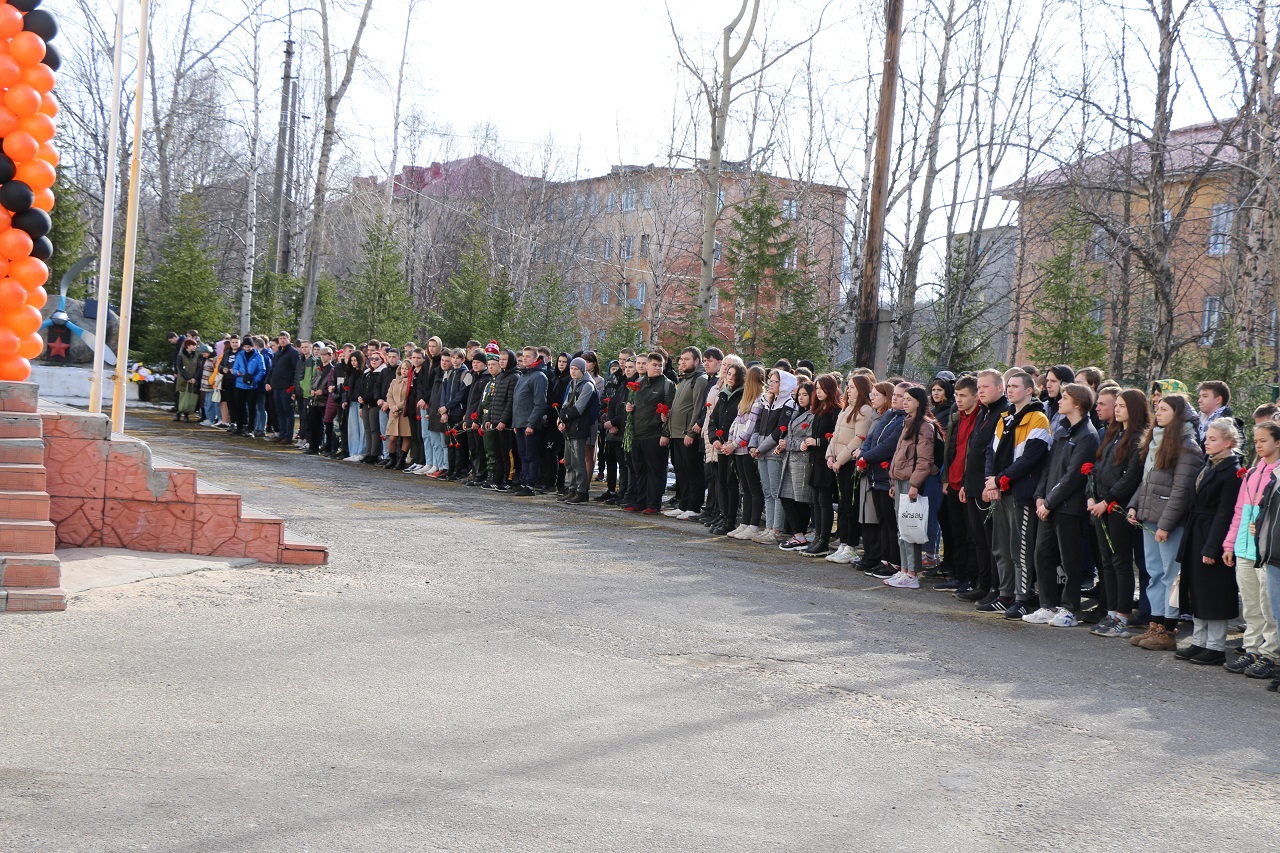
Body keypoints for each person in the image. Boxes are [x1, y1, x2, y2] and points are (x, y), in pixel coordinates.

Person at [1127, 393, 1203, 652]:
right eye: (1157, 408)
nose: (1157, 413)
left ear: (1178, 414)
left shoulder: (1188, 447)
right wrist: (1134, 505)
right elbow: (1147, 481)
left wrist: (1166, 525)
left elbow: (1181, 492)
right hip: (1150, 518)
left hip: (1169, 523)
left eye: (1164, 409)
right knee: (1154, 573)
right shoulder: (1156, 441)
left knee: (1171, 576)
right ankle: (1155, 624)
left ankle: (1168, 629)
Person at [1023, 382, 1101, 626]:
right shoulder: (1062, 429)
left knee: (1070, 560)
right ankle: (1047, 605)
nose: (1059, 401)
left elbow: (1074, 476)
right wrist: (1040, 496)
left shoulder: (1087, 435)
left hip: (1068, 508)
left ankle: (1070, 609)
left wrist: (1049, 502)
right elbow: (1049, 466)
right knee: (1042, 555)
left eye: (1065, 397)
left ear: (1077, 404)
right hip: (1048, 505)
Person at [1173, 418, 1243, 664]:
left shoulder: (1232, 471)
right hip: (1198, 531)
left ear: (1228, 443)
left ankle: (1215, 647)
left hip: (1213, 534)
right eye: (1207, 438)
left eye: (1213, 439)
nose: (1206, 442)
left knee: (1214, 591)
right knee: (1198, 588)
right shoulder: (1210, 463)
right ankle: (1199, 641)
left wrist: (1213, 546)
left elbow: (1225, 513)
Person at [983, 371, 1051, 616]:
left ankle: (1021, 598)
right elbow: (991, 452)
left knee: (1019, 549)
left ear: (1029, 390)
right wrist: (990, 481)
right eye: (1008, 386)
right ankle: (1005, 594)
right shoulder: (1005, 418)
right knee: (1001, 547)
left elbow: (1030, 459)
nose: (1010, 390)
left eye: (1015, 386)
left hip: (1020, 493)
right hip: (1000, 491)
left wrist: (999, 480)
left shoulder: (1038, 419)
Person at [1088, 388, 1150, 638]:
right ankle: (1111, 612)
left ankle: (1122, 616)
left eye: (1122, 406)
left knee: (1121, 561)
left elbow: (1131, 477)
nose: (1117, 410)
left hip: (1118, 508)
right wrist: (1091, 495)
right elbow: (1097, 467)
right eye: (1117, 405)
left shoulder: (1138, 439)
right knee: (1107, 561)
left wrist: (1107, 501)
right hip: (1101, 505)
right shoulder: (1113, 434)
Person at [1222, 420, 1280, 678]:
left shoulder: (1277, 474)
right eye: (1255, 441)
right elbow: (1239, 512)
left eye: (1263, 441)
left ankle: (1271, 654)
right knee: (1251, 605)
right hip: (1245, 549)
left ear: (1278, 442)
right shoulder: (1253, 472)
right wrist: (1230, 543)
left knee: (1269, 606)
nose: (1258, 445)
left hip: (1266, 550)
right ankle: (1253, 649)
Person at [884, 385, 942, 587]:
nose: (905, 402)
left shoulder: (924, 427)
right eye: (904, 399)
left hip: (911, 483)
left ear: (919, 402)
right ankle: (904, 569)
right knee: (902, 528)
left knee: (910, 528)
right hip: (900, 480)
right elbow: (899, 455)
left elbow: (924, 460)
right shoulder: (907, 423)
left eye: (909, 399)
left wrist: (914, 485)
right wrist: (893, 481)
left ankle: (912, 574)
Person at [859, 382, 907, 576]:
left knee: (891, 522)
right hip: (875, 474)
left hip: (886, 476)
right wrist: (864, 454)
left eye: (900, 396)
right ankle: (885, 559)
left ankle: (894, 562)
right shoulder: (888, 415)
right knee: (883, 521)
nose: (895, 398)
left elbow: (889, 445)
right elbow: (871, 438)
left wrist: (866, 458)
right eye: (894, 395)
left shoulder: (903, 420)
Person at [826, 373, 874, 564]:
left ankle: (851, 546)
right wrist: (830, 455)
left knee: (851, 505)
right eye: (848, 386)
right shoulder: (847, 408)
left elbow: (858, 439)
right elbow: (836, 434)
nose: (849, 390)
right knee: (843, 505)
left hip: (850, 463)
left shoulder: (864, 410)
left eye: (853, 387)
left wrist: (840, 460)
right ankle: (843, 543)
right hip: (838, 462)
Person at [937, 374, 979, 591]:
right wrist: (946, 478)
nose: (959, 400)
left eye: (963, 396)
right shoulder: (956, 417)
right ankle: (958, 574)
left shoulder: (981, 418)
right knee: (957, 532)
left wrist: (966, 482)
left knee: (971, 535)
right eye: (957, 395)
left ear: (976, 396)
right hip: (952, 482)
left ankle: (970, 579)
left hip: (968, 484)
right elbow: (950, 450)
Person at [626, 352, 676, 515]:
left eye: (660, 365)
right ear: (646, 365)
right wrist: (628, 407)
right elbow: (633, 404)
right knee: (639, 470)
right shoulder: (638, 383)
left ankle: (654, 504)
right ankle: (640, 501)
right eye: (654, 365)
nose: (658, 368)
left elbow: (670, 412)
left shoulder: (667, 385)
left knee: (656, 471)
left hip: (655, 434)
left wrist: (665, 433)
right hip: (638, 433)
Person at [755, 368, 798, 544]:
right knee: (767, 491)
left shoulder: (788, 403)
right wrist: (753, 445)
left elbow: (779, 431)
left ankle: (776, 530)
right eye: (770, 381)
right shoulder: (767, 401)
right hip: (762, 452)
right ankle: (768, 527)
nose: (771, 384)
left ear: (784, 384)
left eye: (775, 381)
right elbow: (758, 425)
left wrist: (761, 447)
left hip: (773, 453)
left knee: (776, 492)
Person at [668, 346, 710, 519]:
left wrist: (691, 433)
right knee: (681, 471)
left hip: (687, 433)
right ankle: (684, 504)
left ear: (696, 361)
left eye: (686, 359)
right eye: (681, 359)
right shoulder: (685, 380)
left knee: (693, 471)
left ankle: (694, 506)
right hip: (676, 433)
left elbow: (698, 408)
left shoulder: (700, 380)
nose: (682, 362)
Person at [726, 364, 767, 540]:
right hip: (738, 449)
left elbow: (750, 427)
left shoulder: (759, 400)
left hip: (747, 449)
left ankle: (753, 525)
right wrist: (729, 439)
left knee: (753, 487)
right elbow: (736, 422)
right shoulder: (746, 399)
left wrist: (734, 443)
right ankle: (745, 522)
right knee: (745, 487)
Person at [708, 358, 746, 531]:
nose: (730, 377)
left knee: (731, 484)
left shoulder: (742, 395)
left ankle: (730, 520)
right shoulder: (723, 394)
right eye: (729, 374)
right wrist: (714, 439)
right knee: (722, 482)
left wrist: (731, 442)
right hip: (721, 446)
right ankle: (723, 516)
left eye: (734, 375)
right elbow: (713, 419)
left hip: (733, 447)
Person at [778, 382, 816, 551]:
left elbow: (808, 440)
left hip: (802, 461)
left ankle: (800, 536)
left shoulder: (813, 415)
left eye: (805, 395)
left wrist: (789, 444)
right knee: (785, 496)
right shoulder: (797, 412)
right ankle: (798, 534)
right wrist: (783, 445)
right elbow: (791, 435)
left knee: (800, 500)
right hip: (789, 459)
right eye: (799, 395)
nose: (801, 398)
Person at [557, 356, 600, 503]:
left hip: (579, 427)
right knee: (568, 461)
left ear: (582, 370)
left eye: (576, 369)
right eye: (571, 368)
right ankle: (572, 488)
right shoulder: (572, 383)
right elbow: (565, 403)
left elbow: (578, 408)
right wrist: (561, 418)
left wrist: (564, 416)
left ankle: (582, 491)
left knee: (578, 461)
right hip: (570, 426)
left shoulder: (587, 385)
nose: (573, 371)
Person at [266, 332, 300, 445]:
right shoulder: (278, 352)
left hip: (287, 387)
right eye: (280, 338)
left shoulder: (293, 353)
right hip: (276, 386)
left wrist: (293, 387)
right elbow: (272, 368)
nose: (282, 340)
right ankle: (282, 433)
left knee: (287, 412)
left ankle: (288, 436)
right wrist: (268, 382)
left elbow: (297, 371)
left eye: (284, 338)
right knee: (279, 411)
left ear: (289, 339)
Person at [230, 337, 265, 436]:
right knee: (239, 407)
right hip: (240, 384)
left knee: (251, 408)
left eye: (249, 347)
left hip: (252, 386)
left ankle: (250, 429)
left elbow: (262, 370)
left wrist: (254, 380)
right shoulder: (240, 355)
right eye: (245, 347)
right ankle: (239, 427)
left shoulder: (258, 356)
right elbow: (235, 367)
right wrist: (236, 372)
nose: (247, 348)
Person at [306, 346, 335, 457]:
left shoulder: (332, 370)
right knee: (314, 424)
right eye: (321, 355)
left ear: (330, 356)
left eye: (325, 355)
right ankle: (313, 446)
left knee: (327, 426)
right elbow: (313, 381)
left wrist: (322, 392)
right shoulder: (319, 369)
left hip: (325, 401)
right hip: (315, 400)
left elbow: (331, 385)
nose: (323, 357)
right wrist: (311, 390)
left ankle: (327, 447)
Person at [383, 359, 412, 469]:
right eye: (402, 368)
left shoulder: (411, 383)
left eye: (406, 369)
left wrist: (397, 407)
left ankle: (401, 459)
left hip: (405, 412)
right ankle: (392, 458)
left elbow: (408, 398)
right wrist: (392, 408)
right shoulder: (394, 381)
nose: (404, 370)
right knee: (392, 438)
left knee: (406, 436)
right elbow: (389, 395)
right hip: (394, 413)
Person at [341, 350, 365, 462]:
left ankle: (361, 452)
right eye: (352, 360)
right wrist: (345, 400)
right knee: (353, 428)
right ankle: (353, 452)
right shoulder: (349, 373)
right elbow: (346, 388)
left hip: (360, 403)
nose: (353, 362)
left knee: (362, 428)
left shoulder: (364, 373)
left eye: (355, 360)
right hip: (351, 402)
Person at [1195, 380, 1234, 447]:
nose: (1199, 400)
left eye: (1205, 396)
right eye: (1200, 396)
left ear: (1218, 399)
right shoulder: (1195, 420)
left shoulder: (1230, 426)